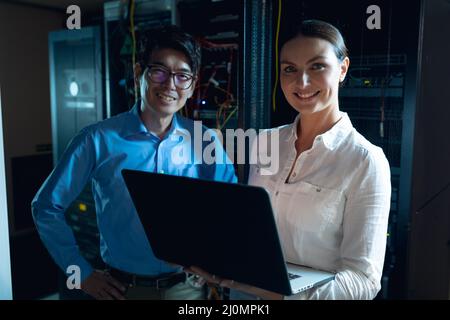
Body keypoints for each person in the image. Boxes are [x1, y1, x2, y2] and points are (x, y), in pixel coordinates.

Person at [190, 19, 391, 300]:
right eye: (289, 70)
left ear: (343, 68)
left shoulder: (365, 161)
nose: (302, 82)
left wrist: (283, 296)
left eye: (317, 66)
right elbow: (254, 231)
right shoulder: (265, 142)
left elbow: (363, 281)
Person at [32, 25, 237, 300]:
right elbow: (46, 206)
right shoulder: (97, 139)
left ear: (192, 83)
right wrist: (79, 273)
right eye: (159, 71)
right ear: (139, 72)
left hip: (187, 289)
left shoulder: (205, 141)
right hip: (123, 291)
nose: (169, 84)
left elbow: (229, 209)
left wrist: (212, 258)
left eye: (182, 76)